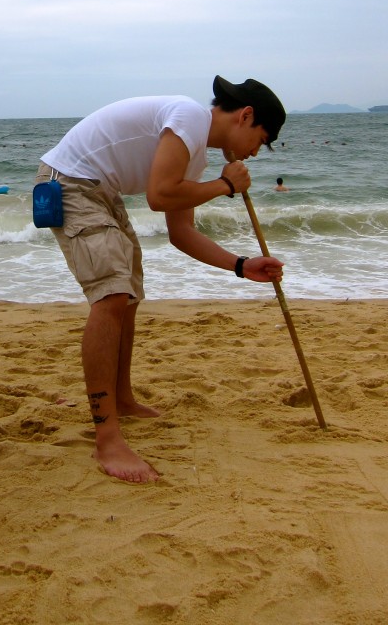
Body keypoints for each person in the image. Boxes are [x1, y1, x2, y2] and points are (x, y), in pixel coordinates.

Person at [35, 76, 286, 484]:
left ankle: (123, 398)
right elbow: (159, 195)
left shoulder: (195, 154)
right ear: (246, 116)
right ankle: (107, 436)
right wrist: (225, 186)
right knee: (112, 294)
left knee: (127, 295)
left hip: (100, 190)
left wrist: (242, 265)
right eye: (263, 138)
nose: (257, 151)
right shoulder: (188, 116)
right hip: (69, 182)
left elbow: (180, 233)